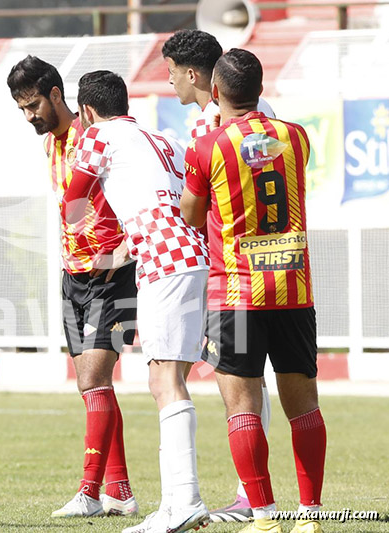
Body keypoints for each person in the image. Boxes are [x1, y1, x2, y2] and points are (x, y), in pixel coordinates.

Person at [180, 49, 326, 533]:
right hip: (292, 289)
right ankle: (310, 516)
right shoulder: (296, 137)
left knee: (242, 406)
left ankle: (262, 516)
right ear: (261, 90)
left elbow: (192, 216)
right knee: (304, 406)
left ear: (216, 91)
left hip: (236, 296)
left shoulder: (206, 148)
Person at [62, 70, 210, 533]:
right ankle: (181, 501)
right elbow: (174, 202)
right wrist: (123, 249)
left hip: (164, 266)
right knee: (176, 377)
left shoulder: (97, 135)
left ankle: (183, 502)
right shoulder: (161, 137)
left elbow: (72, 202)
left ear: (86, 111)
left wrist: (85, 239)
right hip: (195, 255)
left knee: (164, 380)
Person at [7, 56, 139, 518]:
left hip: (115, 277)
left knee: (93, 379)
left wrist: (126, 251)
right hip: (73, 277)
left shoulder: (99, 139)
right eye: (21, 109)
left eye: (33, 105)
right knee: (93, 387)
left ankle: (88, 491)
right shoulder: (52, 144)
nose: (29, 116)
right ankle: (119, 491)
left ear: (57, 96)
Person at [162, 29, 274, 523]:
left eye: (171, 72)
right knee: (246, 381)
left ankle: (253, 497)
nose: (168, 82)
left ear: (192, 73)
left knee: (244, 382)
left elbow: (203, 205)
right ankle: (252, 493)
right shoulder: (214, 120)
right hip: (237, 270)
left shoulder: (232, 124)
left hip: (241, 272)